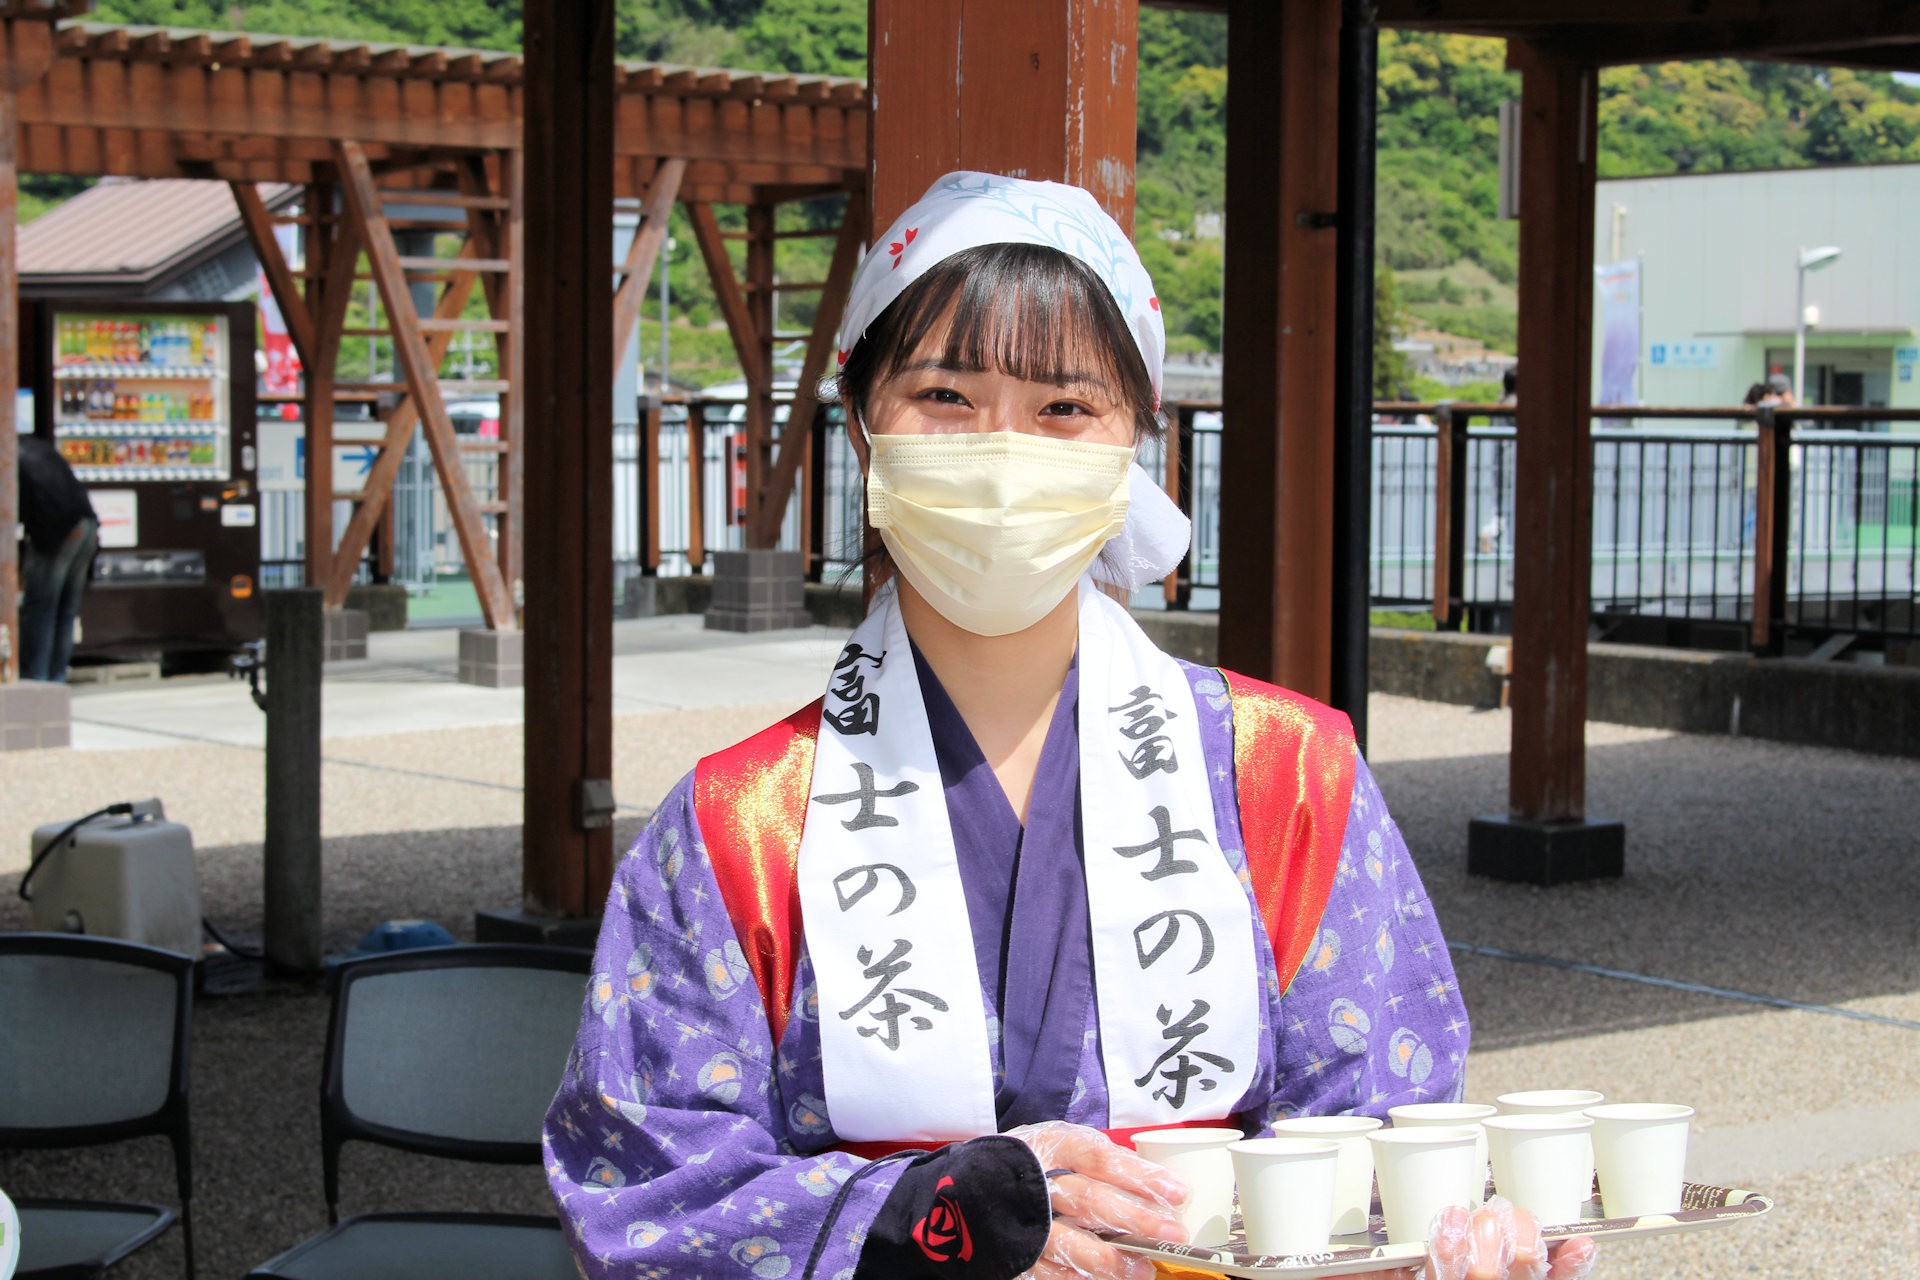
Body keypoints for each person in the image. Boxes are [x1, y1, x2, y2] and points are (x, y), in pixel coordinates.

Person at [545, 173, 1595, 1280]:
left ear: (1132, 438)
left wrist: (1450, 1252)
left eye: (1064, 407)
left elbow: (1383, 1140)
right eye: (945, 396)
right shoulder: (734, 825)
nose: (1006, 449)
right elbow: (642, 1189)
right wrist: (926, 1219)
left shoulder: (1289, 776)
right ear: (862, 423)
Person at [15, 433, 98, 682]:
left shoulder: (10, 457)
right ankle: (56, 679)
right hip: (87, 523)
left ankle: (35, 679)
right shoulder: (36, 446)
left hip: (58, 530)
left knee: (40, 607)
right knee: (65, 610)